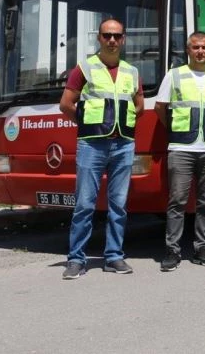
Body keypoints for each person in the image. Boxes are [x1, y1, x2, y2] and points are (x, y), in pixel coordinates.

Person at [59, 18, 143, 279]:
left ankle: (114, 257)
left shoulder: (132, 71)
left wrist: (124, 124)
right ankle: (76, 259)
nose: (112, 40)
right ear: (99, 38)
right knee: (85, 204)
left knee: (118, 204)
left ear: (124, 39)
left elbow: (139, 105)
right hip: (92, 145)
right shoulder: (85, 67)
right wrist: (87, 125)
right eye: (107, 35)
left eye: (117, 36)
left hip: (123, 144)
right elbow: (66, 104)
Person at [155, 31, 205, 272]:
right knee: (177, 201)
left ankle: (201, 248)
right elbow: (160, 108)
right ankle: (172, 251)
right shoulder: (174, 75)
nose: (200, 51)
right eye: (195, 47)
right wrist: (177, 131)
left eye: (204, 48)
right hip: (181, 148)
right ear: (188, 50)